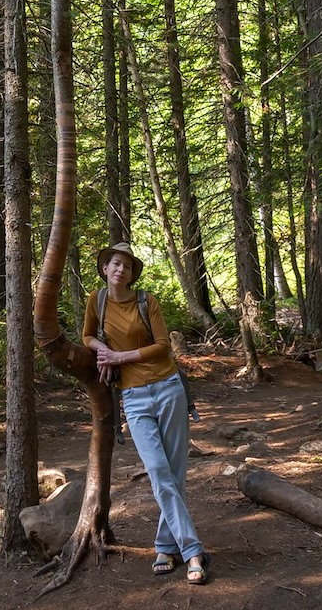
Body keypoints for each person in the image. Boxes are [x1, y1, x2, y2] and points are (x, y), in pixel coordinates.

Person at [84, 241, 209, 584]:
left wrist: (119, 358)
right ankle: (193, 551)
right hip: (134, 398)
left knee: (175, 474)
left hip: (168, 388)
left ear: (131, 272)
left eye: (126, 265)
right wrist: (102, 348)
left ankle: (164, 547)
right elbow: (85, 337)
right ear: (105, 269)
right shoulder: (96, 301)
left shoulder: (146, 301)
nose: (120, 269)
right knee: (157, 470)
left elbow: (162, 346)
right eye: (114, 264)